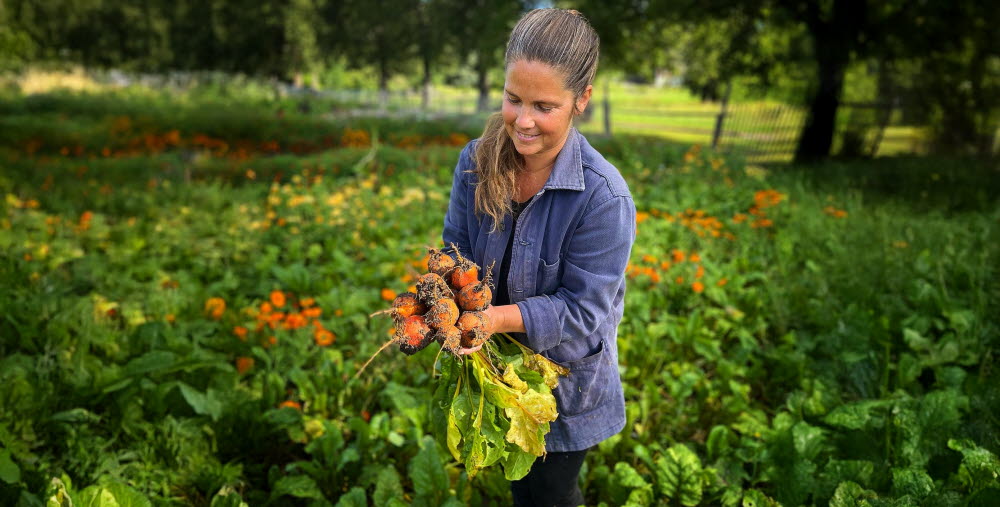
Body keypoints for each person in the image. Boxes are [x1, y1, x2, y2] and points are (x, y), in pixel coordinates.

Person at [441, 8, 636, 506]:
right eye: (513, 99)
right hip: (493, 367)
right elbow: (454, 249)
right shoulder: (475, 161)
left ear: (582, 100)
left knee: (548, 495)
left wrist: (490, 318)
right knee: (518, 484)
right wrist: (440, 297)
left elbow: (584, 308)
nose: (522, 121)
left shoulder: (603, 198)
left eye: (544, 106)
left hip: (564, 390)